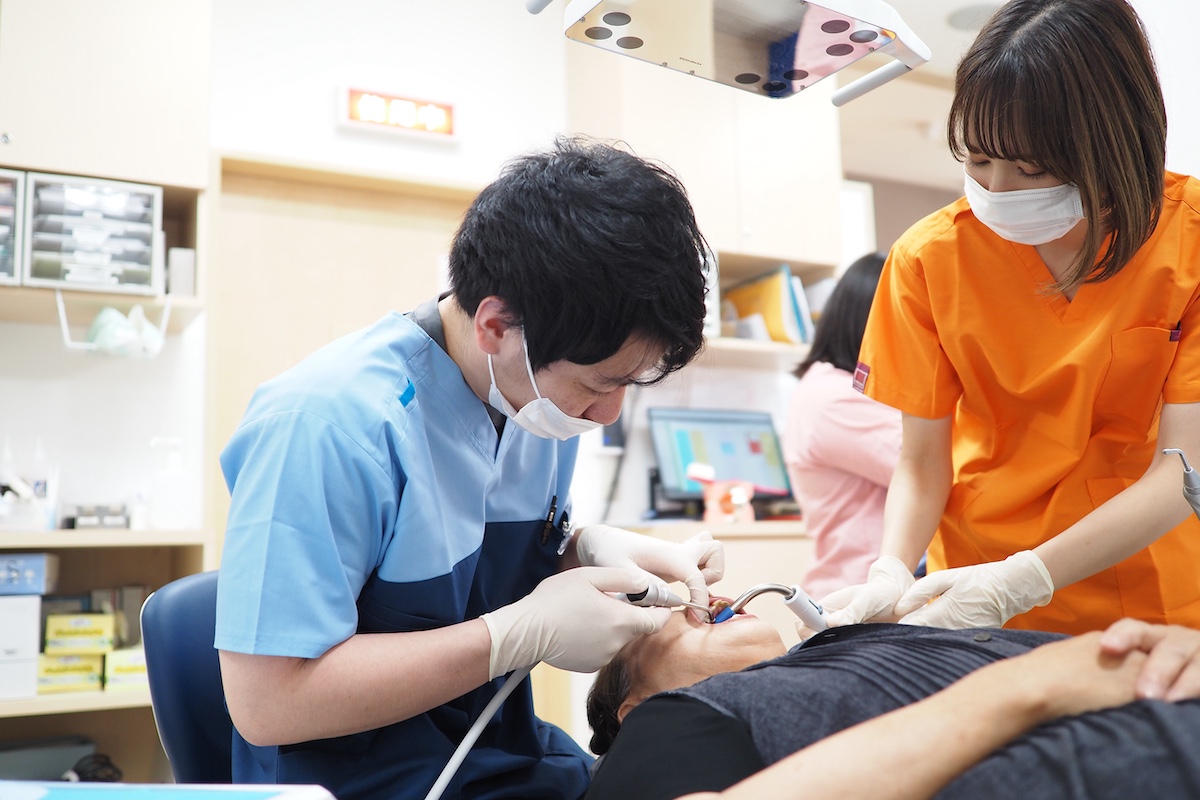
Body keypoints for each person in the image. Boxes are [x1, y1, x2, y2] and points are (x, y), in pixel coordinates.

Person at [213, 136, 727, 800]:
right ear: (495, 327)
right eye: (602, 383)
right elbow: (267, 704)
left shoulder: (535, 400)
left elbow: (479, 578)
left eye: (631, 383)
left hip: (499, 758)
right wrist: (513, 636)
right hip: (363, 783)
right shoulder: (327, 425)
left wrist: (582, 555)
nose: (608, 414)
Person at [826, 0, 1200, 635]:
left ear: (1112, 145)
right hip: (970, 593)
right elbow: (921, 462)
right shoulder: (928, 259)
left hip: (1148, 594)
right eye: (977, 160)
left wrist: (1025, 580)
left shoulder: (1187, 239)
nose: (999, 191)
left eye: (1032, 170)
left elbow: (1185, 468)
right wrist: (890, 568)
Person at [584, 605, 1200, 800]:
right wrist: (1024, 687)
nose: (700, 600)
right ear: (632, 706)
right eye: (660, 622)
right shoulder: (663, 721)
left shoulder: (830, 651)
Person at [783, 252, 902, 599]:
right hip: (860, 594)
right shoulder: (836, 399)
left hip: (863, 590)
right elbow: (938, 469)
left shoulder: (832, 389)